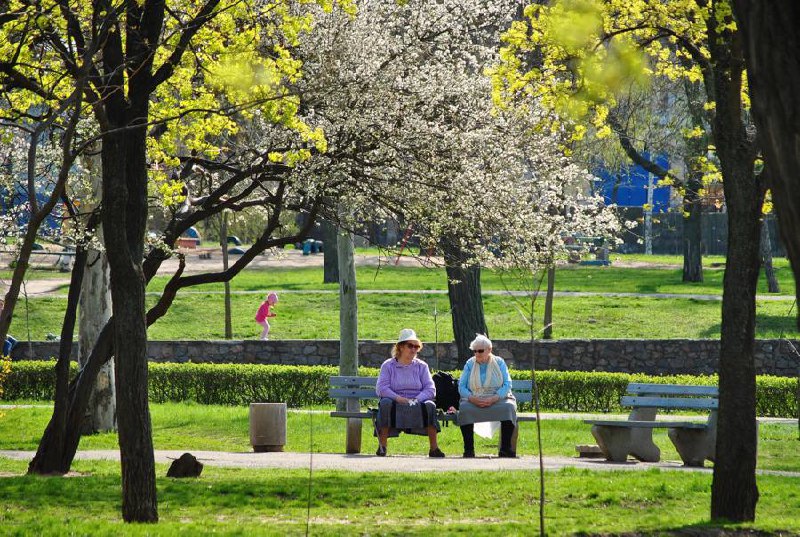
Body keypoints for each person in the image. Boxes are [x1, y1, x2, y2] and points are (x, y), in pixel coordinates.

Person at [375, 328, 445, 458]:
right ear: (400, 347)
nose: (414, 349)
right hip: (395, 401)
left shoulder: (422, 366)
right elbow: (382, 388)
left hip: (417, 401)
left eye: (416, 346)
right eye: (410, 345)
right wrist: (398, 398)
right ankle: (382, 446)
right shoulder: (388, 365)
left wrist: (417, 399)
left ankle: (434, 448)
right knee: (385, 403)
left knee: (430, 405)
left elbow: (430, 389)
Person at [457, 334, 517, 458]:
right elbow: (461, 386)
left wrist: (495, 398)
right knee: (465, 409)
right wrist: (472, 398)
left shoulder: (499, 362)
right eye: (474, 351)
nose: (477, 354)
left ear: (489, 350)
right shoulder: (470, 363)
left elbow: (507, 384)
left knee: (508, 407)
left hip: (497, 398)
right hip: (475, 398)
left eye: (480, 351)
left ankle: (505, 449)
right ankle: (469, 450)